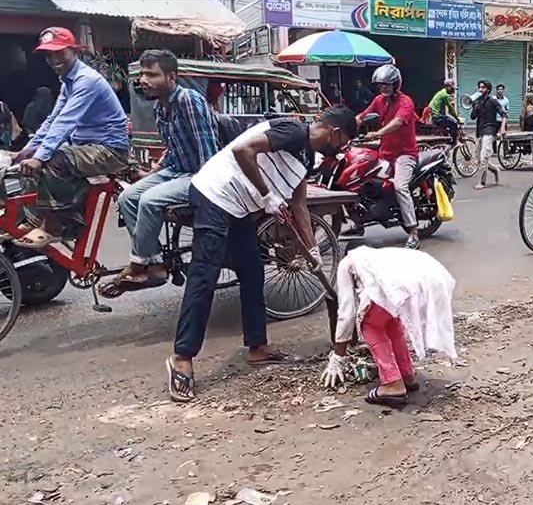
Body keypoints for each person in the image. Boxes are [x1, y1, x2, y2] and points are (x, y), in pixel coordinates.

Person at [165, 105, 358, 402]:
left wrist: (312, 250)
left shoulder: (306, 158)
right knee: (204, 275)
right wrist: (267, 194)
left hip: (238, 207)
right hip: (215, 195)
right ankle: (182, 357)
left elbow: (299, 205)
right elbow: (243, 150)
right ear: (335, 134)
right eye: (343, 142)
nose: (341, 149)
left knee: (253, 271)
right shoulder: (293, 132)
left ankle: (257, 347)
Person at [99, 49, 219, 297]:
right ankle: (154, 264)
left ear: (172, 77)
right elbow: (173, 148)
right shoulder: (159, 107)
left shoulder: (189, 100)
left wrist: (206, 192)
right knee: (128, 197)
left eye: (152, 75)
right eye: (143, 74)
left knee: (150, 200)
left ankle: (138, 263)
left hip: (199, 175)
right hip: (176, 171)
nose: (144, 80)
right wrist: (154, 172)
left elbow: (208, 154)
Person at [13, 27, 129, 248]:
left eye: (59, 52)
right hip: (86, 145)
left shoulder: (86, 80)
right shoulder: (68, 80)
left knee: (53, 162)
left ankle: (56, 226)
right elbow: (53, 119)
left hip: (110, 149)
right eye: (48, 54)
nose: (53, 58)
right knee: (26, 166)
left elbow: (66, 121)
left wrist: (40, 156)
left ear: (73, 51)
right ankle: (33, 220)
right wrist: (29, 149)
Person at [320, 246, 457, 407]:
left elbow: (346, 312)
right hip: (428, 274)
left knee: (371, 326)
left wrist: (338, 357)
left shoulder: (346, 264)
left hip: (415, 280)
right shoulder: (374, 258)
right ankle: (407, 374)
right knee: (392, 322)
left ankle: (393, 384)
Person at [356, 65, 422, 249]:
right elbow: (362, 116)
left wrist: (378, 133)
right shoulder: (379, 100)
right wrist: (345, 123)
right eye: (380, 85)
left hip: (405, 154)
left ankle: (413, 232)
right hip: (385, 153)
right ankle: (358, 223)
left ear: (396, 84)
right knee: (360, 177)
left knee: (400, 187)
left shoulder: (406, 102)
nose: (383, 88)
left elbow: (397, 122)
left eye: (387, 84)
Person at [470, 79, 507, 190]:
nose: (480, 90)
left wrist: (502, 128)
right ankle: (495, 170)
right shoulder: (477, 102)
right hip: (480, 131)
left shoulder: (493, 101)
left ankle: (482, 182)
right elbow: (472, 117)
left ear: (488, 89)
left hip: (490, 130)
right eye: (479, 87)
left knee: (484, 156)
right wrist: (474, 106)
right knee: (480, 159)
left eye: (483, 87)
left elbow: (504, 114)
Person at [429, 78, 462, 145]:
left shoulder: (441, 92)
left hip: (434, 115)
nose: (453, 91)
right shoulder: (445, 95)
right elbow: (451, 109)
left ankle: (445, 139)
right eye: (452, 88)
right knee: (454, 123)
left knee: (447, 122)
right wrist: (457, 118)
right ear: (447, 87)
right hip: (436, 117)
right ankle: (453, 142)